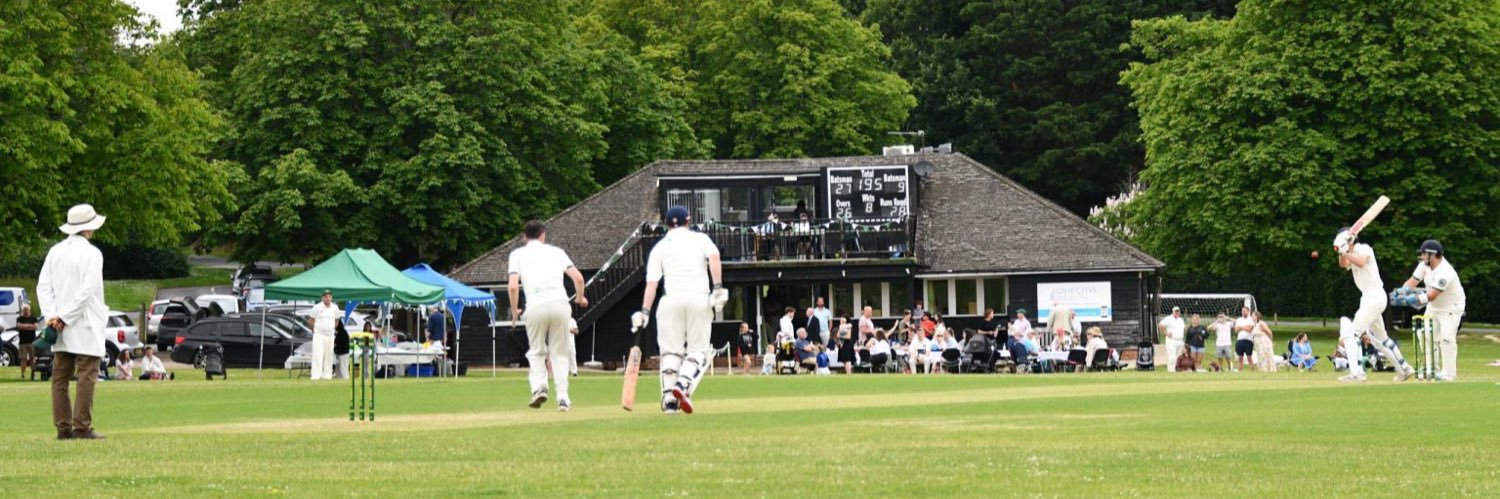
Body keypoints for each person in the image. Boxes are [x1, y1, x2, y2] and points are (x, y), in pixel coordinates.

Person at [631, 206, 724, 414]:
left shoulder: (659, 247)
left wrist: (645, 312)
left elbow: (652, 284)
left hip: (670, 301)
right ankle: (683, 383)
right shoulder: (700, 239)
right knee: (699, 350)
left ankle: (669, 401)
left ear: (666, 225)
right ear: (688, 221)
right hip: (698, 298)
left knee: (670, 351)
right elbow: (714, 257)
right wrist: (718, 287)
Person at [36, 203, 109, 440]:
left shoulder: (55, 251)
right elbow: (87, 292)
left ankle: (63, 428)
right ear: (89, 228)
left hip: (60, 325)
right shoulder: (92, 254)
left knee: (60, 377)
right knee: (87, 375)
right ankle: (82, 427)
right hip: (84, 323)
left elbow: (43, 287)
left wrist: (53, 317)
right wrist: (63, 318)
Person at [509, 220, 589, 412]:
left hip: (535, 307)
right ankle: (563, 398)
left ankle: (540, 388)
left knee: (537, 351)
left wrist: (514, 311)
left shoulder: (517, 254)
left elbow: (512, 287)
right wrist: (579, 297)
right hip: (560, 305)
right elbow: (579, 278)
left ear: (524, 237)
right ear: (543, 235)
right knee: (559, 353)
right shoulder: (557, 252)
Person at [1332, 227, 1414, 383]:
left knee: (1351, 334)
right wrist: (1341, 251)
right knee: (1381, 340)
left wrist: (1346, 251)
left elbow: (1361, 262)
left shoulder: (1364, 248)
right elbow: (1343, 264)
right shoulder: (1350, 253)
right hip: (1369, 297)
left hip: (1374, 296)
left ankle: (1357, 373)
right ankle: (1404, 369)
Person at [1393, 239, 1466, 381]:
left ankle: (1449, 373)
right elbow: (1412, 281)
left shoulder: (1445, 271)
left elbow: (1432, 295)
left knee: (1446, 338)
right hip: (1434, 306)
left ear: (1433, 255)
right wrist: (1402, 291)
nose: (1422, 256)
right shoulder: (1424, 265)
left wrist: (1412, 299)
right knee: (1424, 335)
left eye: (1424, 254)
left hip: (1451, 306)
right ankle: (1430, 369)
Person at [307, 291, 340, 380]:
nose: (328, 298)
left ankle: (327, 376)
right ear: (322, 298)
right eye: (326, 297)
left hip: (330, 335)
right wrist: (316, 330)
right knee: (317, 355)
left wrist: (331, 328)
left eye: (329, 297)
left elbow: (337, 320)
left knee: (329, 356)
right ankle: (316, 376)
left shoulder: (335, 308)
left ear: (331, 298)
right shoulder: (317, 307)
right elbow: (311, 321)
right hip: (319, 335)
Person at [1158, 307, 1185, 373]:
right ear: (1173, 312)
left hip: (1180, 340)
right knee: (1172, 357)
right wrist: (1166, 333)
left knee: (1179, 357)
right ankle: (1171, 371)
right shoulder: (1168, 318)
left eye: (1178, 311)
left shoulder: (1181, 320)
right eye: (1176, 311)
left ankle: (1177, 369)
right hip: (1171, 340)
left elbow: (1183, 329)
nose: (1177, 313)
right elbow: (1160, 325)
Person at [15, 304, 39, 379]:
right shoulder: (19, 318)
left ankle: (34, 374)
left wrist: (23, 326)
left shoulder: (34, 318)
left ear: (29, 310)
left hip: (32, 342)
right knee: (23, 359)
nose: (25, 311)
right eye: (24, 309)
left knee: (33, 359)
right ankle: (23, 375)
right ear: (22, 311)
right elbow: (18, 326)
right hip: (22, 342)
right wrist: (30, 326)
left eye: (27, 309)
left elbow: (35, 327)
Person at [1234, 306, 1255, 372]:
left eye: (1245, 311)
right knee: (1240, 358)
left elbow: (1250, 329)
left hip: (1248, 341)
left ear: (1248, 312)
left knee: (1249, 357)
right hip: (1240, 340)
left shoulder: (1251, 319)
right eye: (1242, 311)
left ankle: (1252, 371)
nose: (1243, 312)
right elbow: (1236, 330)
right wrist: (1245, 327)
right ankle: (1239, 371)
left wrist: (1241, 327)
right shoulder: (1239, 320)